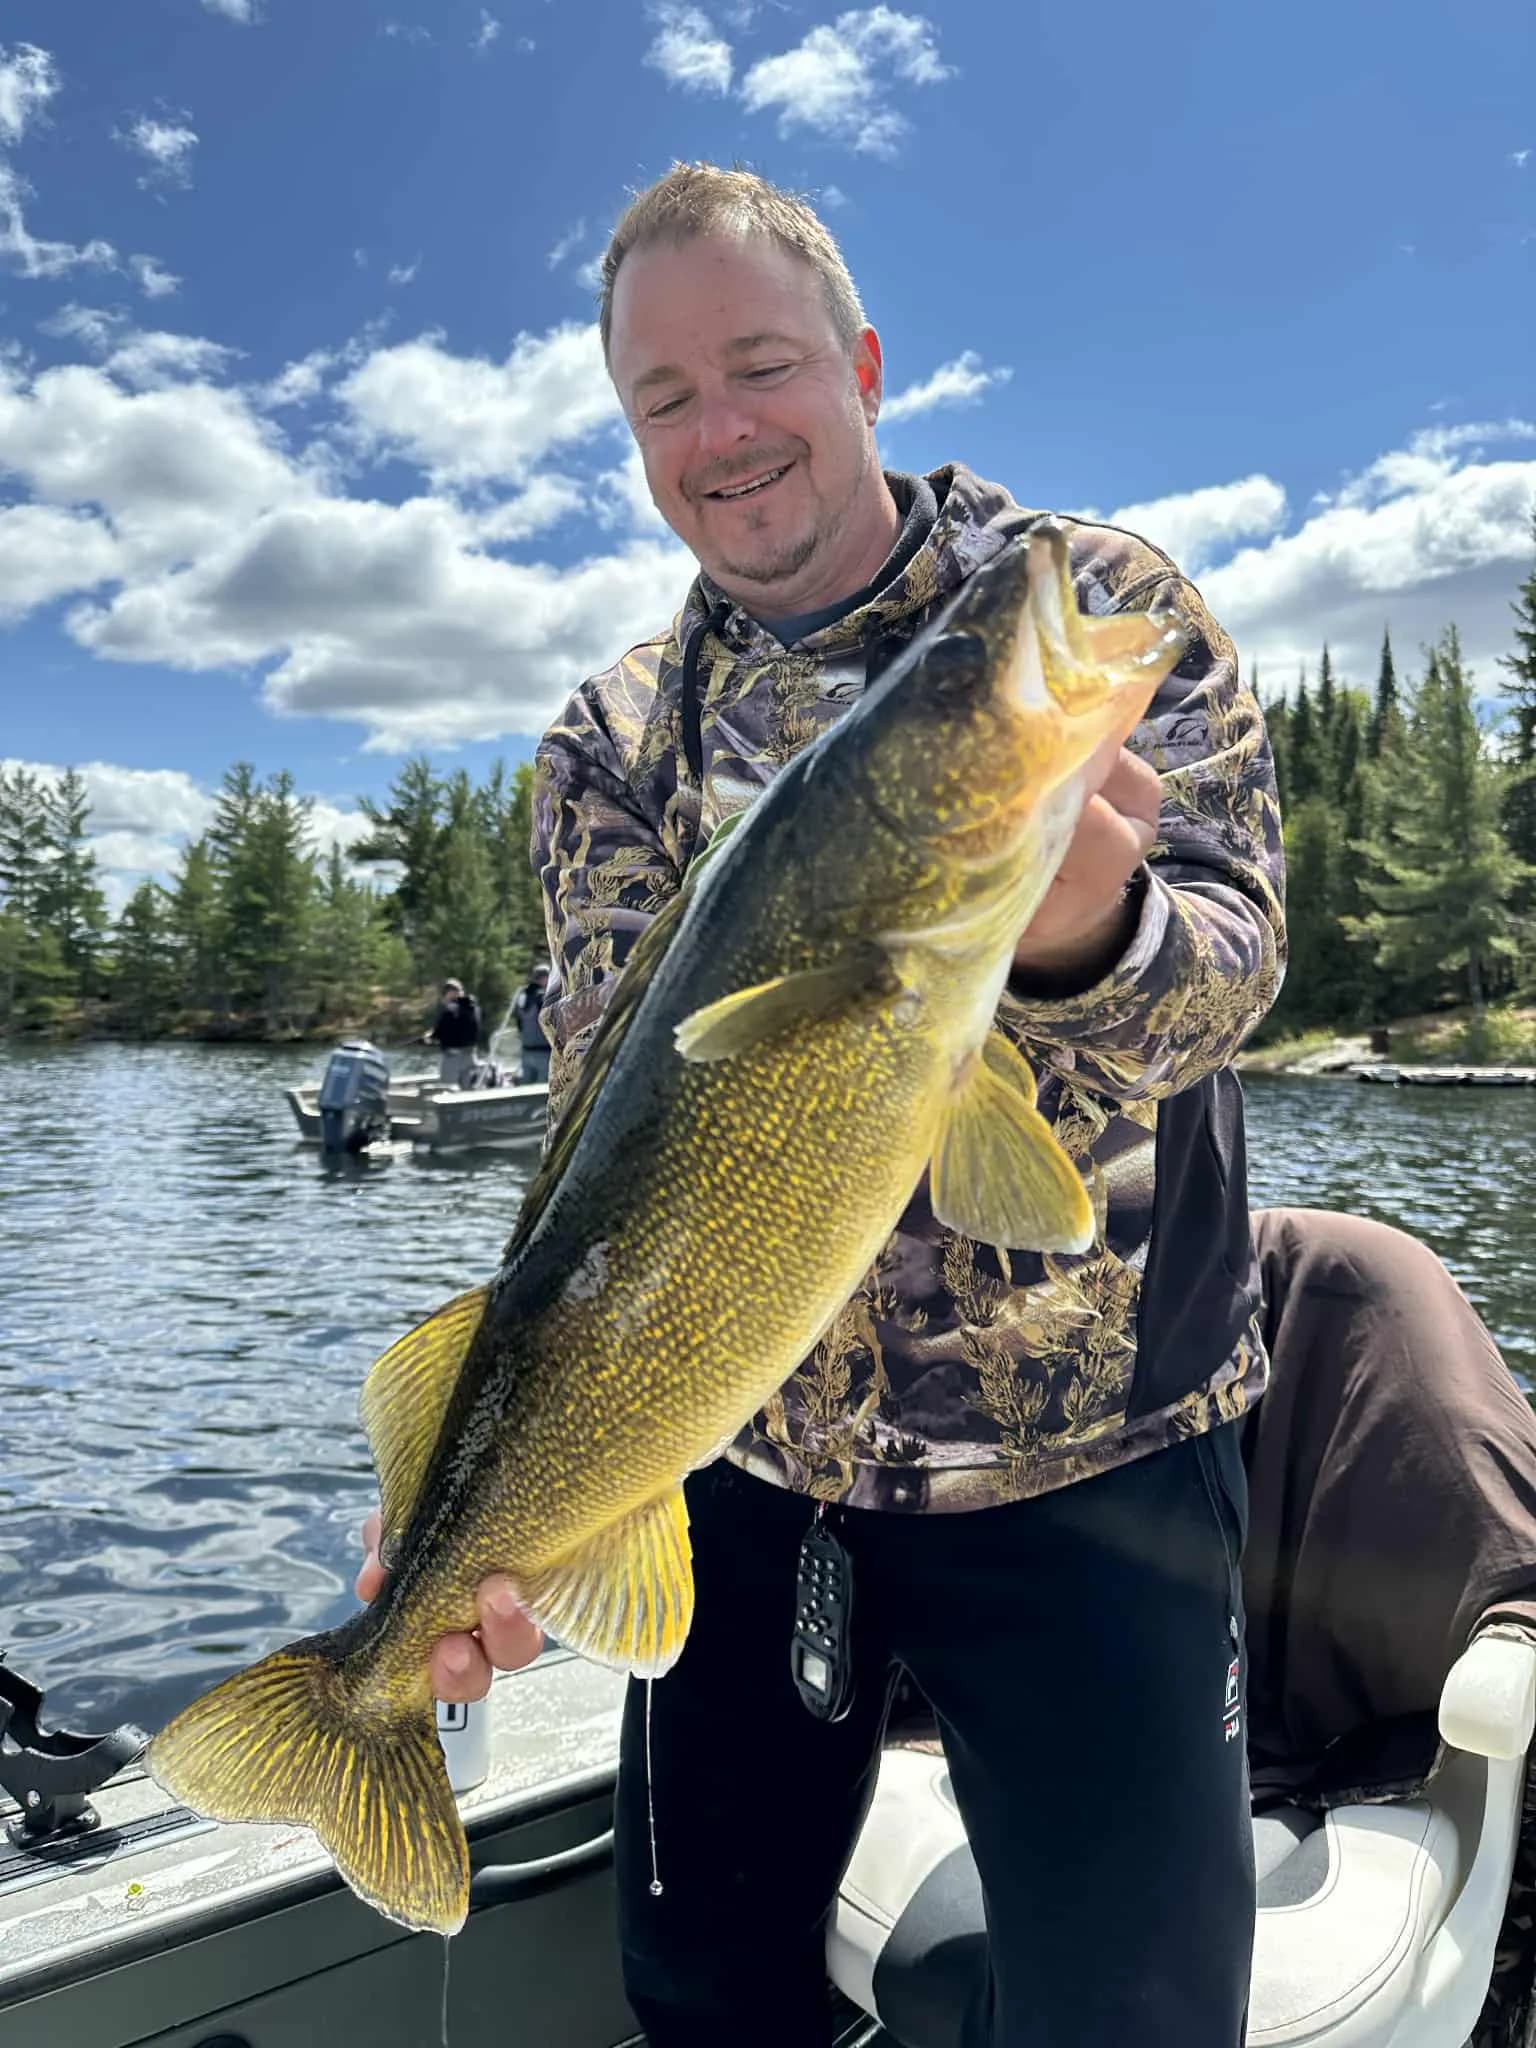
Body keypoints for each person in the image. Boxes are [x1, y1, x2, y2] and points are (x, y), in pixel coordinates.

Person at [360, 163, 1285, 2046]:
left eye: (760, 364)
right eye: (663, 400)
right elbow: (601, 1154)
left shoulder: (1078, 601)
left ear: (861, 363)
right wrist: (464, 1480)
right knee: (703, 1992)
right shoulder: (610, 739)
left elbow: (1237, 962)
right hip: (741, 1469)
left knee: (1132, 2013)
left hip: (1092, 1470)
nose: (722, 433)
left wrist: (1086, 919)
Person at [421, 976, 481, 1089]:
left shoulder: (449, 1010)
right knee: (469, 1091)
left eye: (445, 993)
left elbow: (438, 1034)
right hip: (471, 1057)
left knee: (447, 1090)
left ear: (450, 993)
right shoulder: (475, 1009)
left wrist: (429, 1036)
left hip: (453, 1059)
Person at [512, 963, 551, 1085]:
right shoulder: (543, 997)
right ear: (544, 979)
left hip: (526, 1051)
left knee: (526, 1088)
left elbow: (519, 1022)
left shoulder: (522, 996)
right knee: (542, 1091)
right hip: (543, 1052)